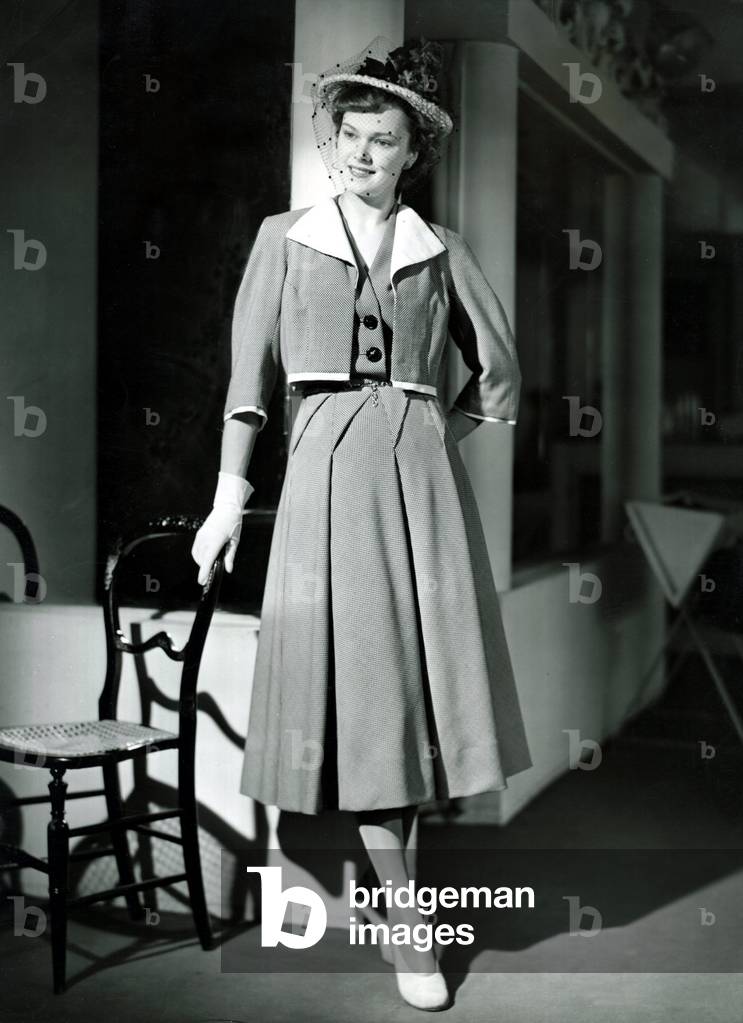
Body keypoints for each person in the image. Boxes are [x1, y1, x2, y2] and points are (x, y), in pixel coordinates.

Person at [191, 35, 532, 1012]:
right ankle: (403, 922)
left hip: (414, 488)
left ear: (409, 152)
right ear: (330, 137)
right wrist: (225, 500)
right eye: (349, 135)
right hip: (318, 485)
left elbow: (499, 377)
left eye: (381, 141)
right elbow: (246, 386)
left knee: (404, 706)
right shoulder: (281, 239)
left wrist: (427, 439)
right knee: (355, 703)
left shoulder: (442, 252)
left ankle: (406, 927)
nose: (360, 155)